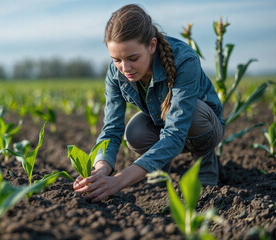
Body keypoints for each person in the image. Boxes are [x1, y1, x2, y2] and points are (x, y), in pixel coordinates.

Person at [73, 4, 225, 202]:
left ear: (152, 45)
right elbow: (111, 129)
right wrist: (101, 170)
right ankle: (158, 172)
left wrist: (118, 181)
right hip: (162, 124)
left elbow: (175, 132)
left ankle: (205, 169)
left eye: (133, 58)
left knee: (194, 115)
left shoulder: (184, 61)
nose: (124, 68)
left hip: (203, 127)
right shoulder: (115, 72)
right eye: (116, 59)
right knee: (135, 131)